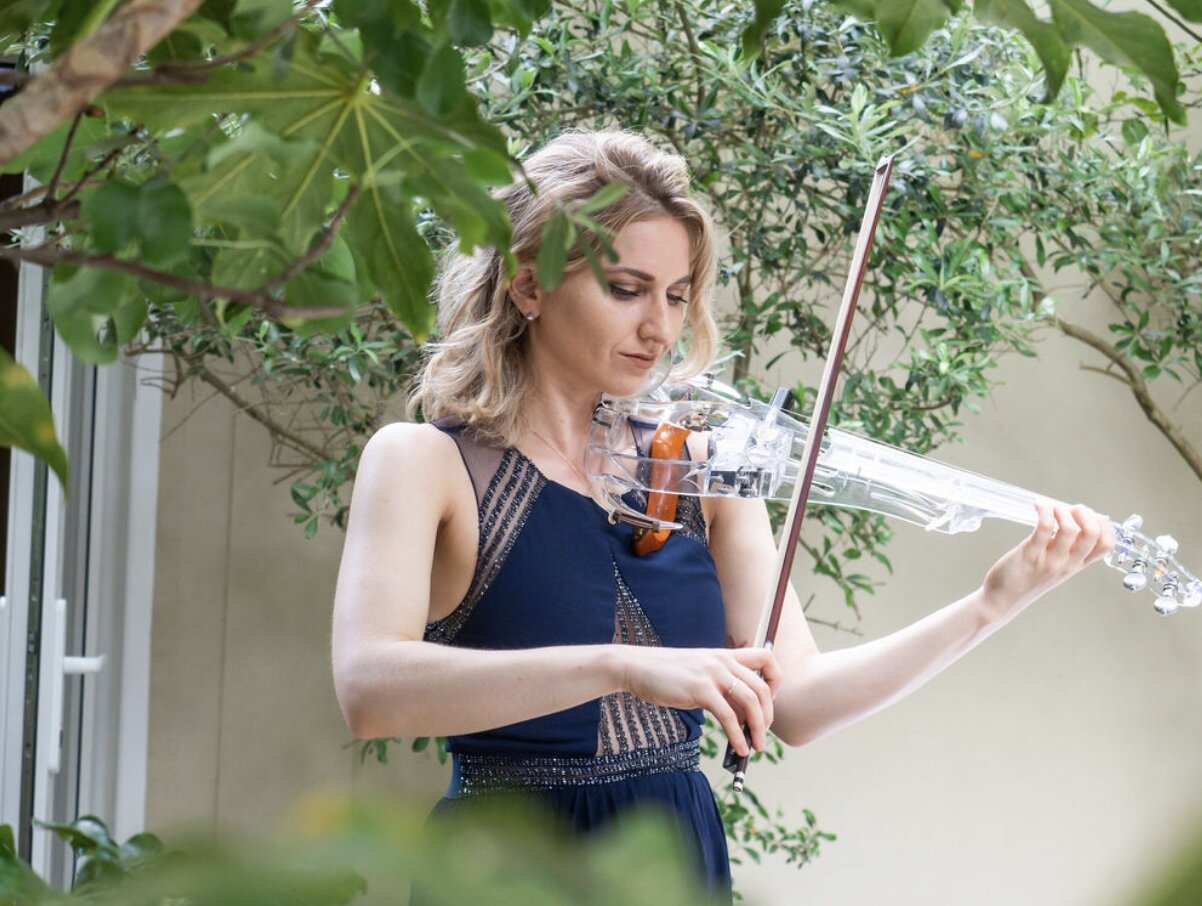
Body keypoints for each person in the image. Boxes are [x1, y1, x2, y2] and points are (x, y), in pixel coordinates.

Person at [330, 129, 1114, 899]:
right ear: (529, 286)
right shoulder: (426, 462)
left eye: (676, 296)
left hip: (673, 861)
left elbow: (797, 703)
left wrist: (990, 605)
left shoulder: (699, 468)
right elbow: (370, 690)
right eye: (627, 289)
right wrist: (623, 666)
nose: (660, 328)